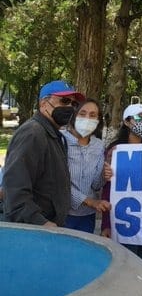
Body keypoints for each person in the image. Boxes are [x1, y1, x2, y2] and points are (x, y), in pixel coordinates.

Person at [3, 80, 84, 226]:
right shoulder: (33, 133)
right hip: (34, 231)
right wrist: (41, 222)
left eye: (74, 104)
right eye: (64, 101)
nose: (70, 108)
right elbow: (15, 188)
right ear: (43, 104)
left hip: (47, 227)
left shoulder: (53, 134)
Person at [100, 103, 142, 268]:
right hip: (124, 221)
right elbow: (108, 189)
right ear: (126, 122)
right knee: (127, 267)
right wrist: (106, 224)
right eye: (138, 118)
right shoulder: (115, 151)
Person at [62, 98, 112, 233]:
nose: (87, 118)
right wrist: (90, 201)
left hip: (87, 216)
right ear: (74, 115)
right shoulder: (60, 140)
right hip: (62, 214)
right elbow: (59, 182)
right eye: (82, 114)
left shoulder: (98, 145)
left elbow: (96, 185)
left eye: (92, 115)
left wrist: (104, 175)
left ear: (98, 120)